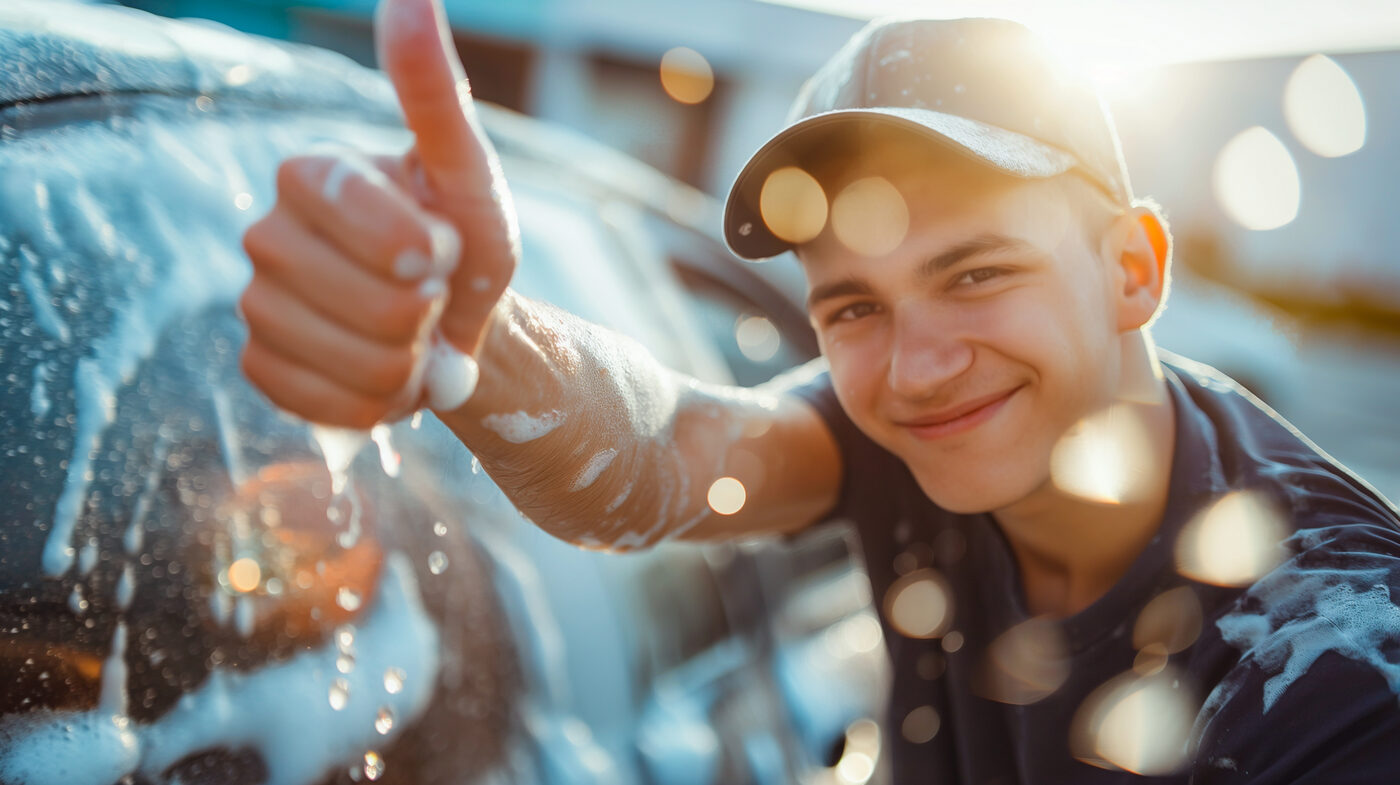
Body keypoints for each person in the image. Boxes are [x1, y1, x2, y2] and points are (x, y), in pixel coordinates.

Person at [239, 0, 1400, 781]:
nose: (914, 368)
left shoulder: (1337, 669)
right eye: (853, 304)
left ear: (1131, 269)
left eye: (977, 273)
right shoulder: (915, 437)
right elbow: (668, 457)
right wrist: (468, 345)